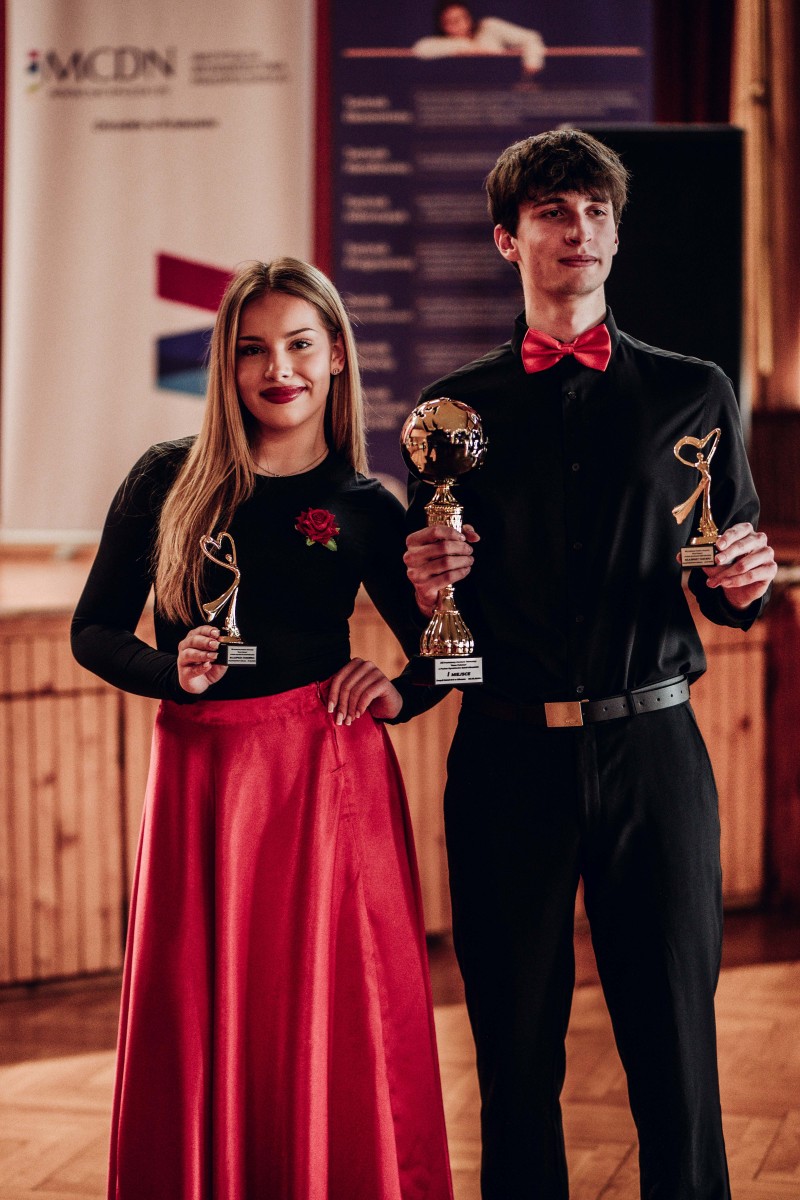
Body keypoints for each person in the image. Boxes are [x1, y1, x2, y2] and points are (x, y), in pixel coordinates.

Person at [401, 129, 776, 1198]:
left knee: (676, 1047)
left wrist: (742, 580)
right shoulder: (450, 414)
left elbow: (725, 568)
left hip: (654, 750)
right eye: (553, 212)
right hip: (504, 758)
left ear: (616, 232)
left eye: (596, 211)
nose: (580, 230)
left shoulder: (694, 392)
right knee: (513, 1053)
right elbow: (449, 615)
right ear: (505, 240)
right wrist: (430, 586)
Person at [71, 258, 453, 1200]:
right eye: (253, 350)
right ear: (225, 365)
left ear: (336, 357)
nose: (278, 368)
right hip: (202, 778)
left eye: (299, 345)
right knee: (199, 1013)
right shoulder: (167, 477)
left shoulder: (367, 506)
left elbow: (454, 658)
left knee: (330, 1015)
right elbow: (93, 631)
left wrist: (400, 692)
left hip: (327, 782)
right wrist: (171, 673)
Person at [412, 2, 546, 74]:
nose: (456, 25)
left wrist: (532, 62)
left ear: (469, 17)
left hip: (502, 88)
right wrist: (463, 46)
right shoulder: (443, 43)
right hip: (465, 98)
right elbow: (420, 49)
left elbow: (531, 38)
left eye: (459, 19)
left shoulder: (489, 26)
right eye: (449, 22)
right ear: (442, 26)